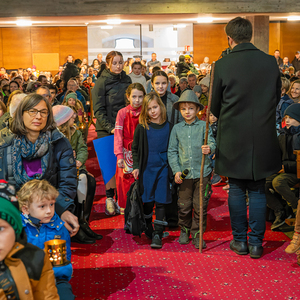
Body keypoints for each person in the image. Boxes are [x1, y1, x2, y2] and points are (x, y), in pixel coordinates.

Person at [211, 17, 282, 259]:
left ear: (229, 38)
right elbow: (276, 95)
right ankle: (256, 244)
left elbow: (214, 106)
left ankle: (240, 242)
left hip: (232, 135)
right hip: (262, 134)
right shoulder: (270, 62)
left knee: (237, 189)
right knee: (258, 189)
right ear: (250, 35)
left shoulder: (221, 65)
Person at [0, 93, 86, 241]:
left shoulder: (59, 143)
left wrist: (59, 209)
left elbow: (67, 183)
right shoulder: (6, 145)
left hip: (50, 210)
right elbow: (3, 186)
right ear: (21, 114)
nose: (38, 116)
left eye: (43, 112)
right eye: (32, 111)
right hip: (16, 211)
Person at [168, 90, 215, 249]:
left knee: (200, 206)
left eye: (191, 108)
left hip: (202, 173)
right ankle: (184, 229)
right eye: (183, 109)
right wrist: (176, 170)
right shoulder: (177, 129)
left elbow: (212, 142)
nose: (187, 112)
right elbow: (172, 151)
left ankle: (197, 233)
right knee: (184, 205)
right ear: (180, 110)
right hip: (185, 174)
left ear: (197, 110)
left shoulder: (204, 126)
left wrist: (209, 148)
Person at [0, 181, 59, 299]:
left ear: (15, 230)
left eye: (1, 228)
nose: (48, 211)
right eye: (42, 206)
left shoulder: (35, 259)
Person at [18, 179, 74, 299]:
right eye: (42, 206)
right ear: (26, 209)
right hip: (25, 279)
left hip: (55, 278)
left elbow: (65, 260)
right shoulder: (17, 230)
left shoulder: (59, 229)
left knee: (66, 296)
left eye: (52, 204)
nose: (49, 211)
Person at [53, 105, 101, 241]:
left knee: (90, 181)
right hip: (62, 170)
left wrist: (79, 160)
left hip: (77, 166)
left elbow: (82, 149)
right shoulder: (56, 135)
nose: (74, 117)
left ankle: (83, 220)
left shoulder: (77, 132)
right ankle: (76, 223)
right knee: (79, 182)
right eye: (70, 116)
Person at [92, 51, 131, 213]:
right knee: (108, 166)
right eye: (114, 63)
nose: (118, 66)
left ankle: (123, 197)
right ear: (108, 64)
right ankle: (109, 197)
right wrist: (110, 128)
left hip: (125, 126)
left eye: (120, 62)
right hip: (106, 128)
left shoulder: (127, 79)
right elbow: (98, 110)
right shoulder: (101, 82)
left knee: (124, 164)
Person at [132, 92, 171, 249]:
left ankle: (158, 233)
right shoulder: (142, 128)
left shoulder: (169, 126)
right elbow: (135, 149)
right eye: (149, 109)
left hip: (163, 168)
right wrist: (136, 166)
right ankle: (148, 226)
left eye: (155, 107)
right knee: (147, 201)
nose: (153, 111)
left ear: (160, 106)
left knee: (161, 200)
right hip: (147, 169)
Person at [266, 103, 300, 230]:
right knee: (260, 182)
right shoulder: (282, 136)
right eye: (285, 117)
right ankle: (280, 210)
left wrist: (285, 167)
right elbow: (276, 156)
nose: (287, 120)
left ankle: (297, 208)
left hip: (295, 172)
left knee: (278, 181)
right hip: (284, 170)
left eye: (290, 117)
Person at [114, 83, 146, 214]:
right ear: (128, 97)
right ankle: (124, 205)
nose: (137, 100)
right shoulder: (122, 113)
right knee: (124, 179)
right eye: (134, 96)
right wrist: (119, 155)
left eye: (140, 97)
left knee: (141, 178)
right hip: (126, 151)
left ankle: (141, 204)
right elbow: (118, 135)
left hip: (142, 150)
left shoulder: (146, 111)